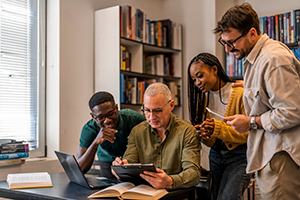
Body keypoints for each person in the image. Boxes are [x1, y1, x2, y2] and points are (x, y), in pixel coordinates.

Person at [214, 3, 300, 200]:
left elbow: (291, 111)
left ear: (252, 33)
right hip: (271, 154)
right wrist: (250, 87)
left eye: (232, 42)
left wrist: (251, 122)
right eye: (223, 42)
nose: (227, 49)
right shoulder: (259, 57)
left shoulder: (273, 60)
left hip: (280, 156)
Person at [113, 82, 201, 190]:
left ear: (171, 105)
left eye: (157, 111)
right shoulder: (137, 132)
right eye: (147, 110)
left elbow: (194, 174)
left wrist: (171, 182)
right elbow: (129, 161)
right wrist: (122, 168)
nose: (151, 117)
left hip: (176, 195)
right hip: (145, 194)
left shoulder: (187, 132)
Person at [187, 52, 250, 200]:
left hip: (240, 155)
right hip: (215, 155)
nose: (197, 83)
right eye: (194, 79)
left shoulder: (239, 92)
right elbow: (212, 141)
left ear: (214, 69)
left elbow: (249, 133)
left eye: (200, 76)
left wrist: (216, 128)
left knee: (228, 197)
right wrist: (204, 134)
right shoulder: (202, 99)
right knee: (214, 197)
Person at [76, 91, 145, 179]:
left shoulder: (133, 118)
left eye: (111, 114)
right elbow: (79, 169)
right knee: (110, 188)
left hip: (131, 161)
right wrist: (95, 143)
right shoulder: (89, 129)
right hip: (107, 162)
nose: (107, 120)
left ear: (116, 108)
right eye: (100, 117)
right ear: (93, 117)